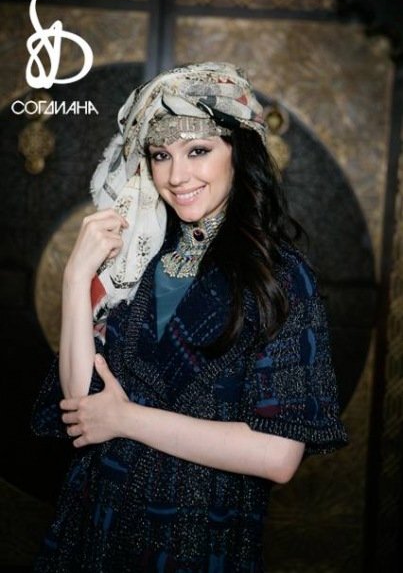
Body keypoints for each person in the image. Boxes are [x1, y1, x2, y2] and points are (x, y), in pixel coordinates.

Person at [31, 61, 348, 572]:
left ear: (238, 152)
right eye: (161, 155)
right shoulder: (134, 260)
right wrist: (76, 276)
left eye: (198, 151)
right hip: (95, 523)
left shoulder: (280, 276)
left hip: (196, 536)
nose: (177, 177)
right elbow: (81, 405)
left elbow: (278, 455)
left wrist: (127, 419)